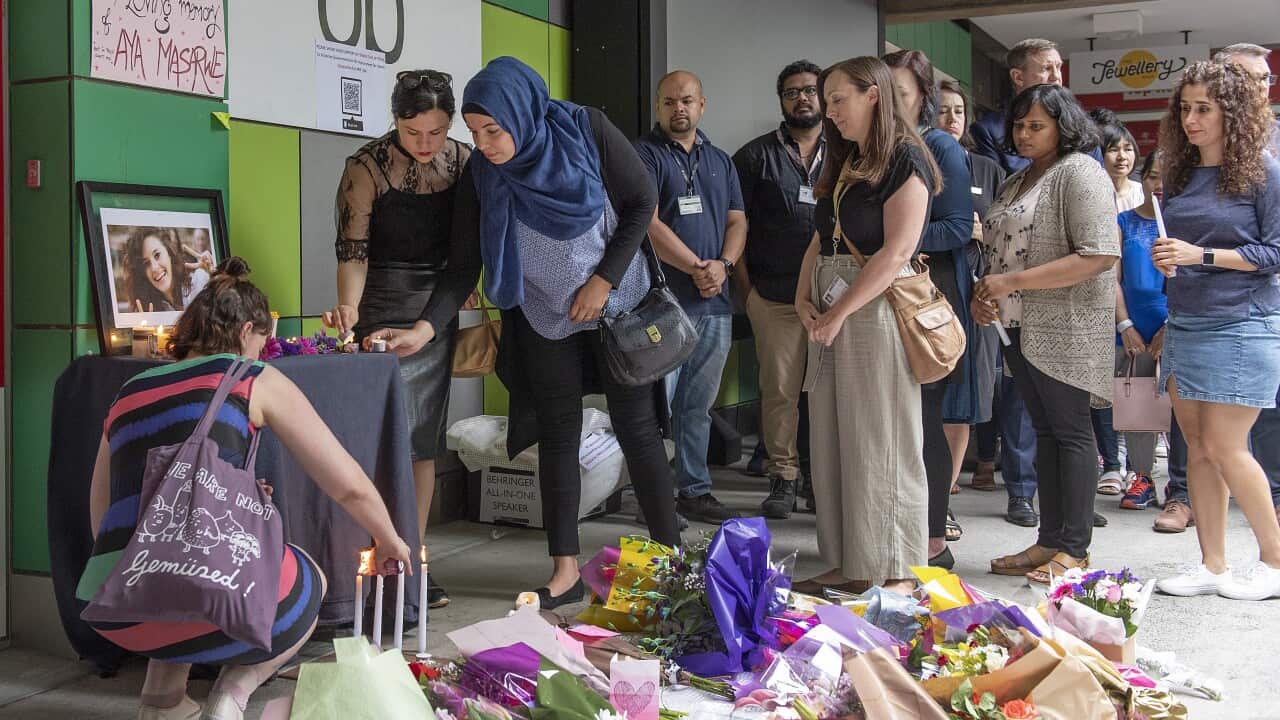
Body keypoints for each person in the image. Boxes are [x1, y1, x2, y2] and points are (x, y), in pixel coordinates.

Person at [82, 258, 413, 720]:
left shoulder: (129, 389)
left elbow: (102, 509)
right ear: (246, 333)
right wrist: (388, 538)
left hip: (121, 607)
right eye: (263, 341)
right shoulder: (251, 377)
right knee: (308, 580)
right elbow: (348, 484)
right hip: (213, 603)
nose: (263, 351)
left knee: (176, 561)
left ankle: (162, 702)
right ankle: (231, 696)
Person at [427, 56, 682, 608]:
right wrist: (425, 326)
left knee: (637, 429)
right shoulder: (483, 174)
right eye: (474, 133)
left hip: (618, 304)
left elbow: (641, 203)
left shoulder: (585, 129)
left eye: (494, 130)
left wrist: (603, 282)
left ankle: (672, 558)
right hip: (543, 316)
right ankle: (564, 572)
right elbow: (462, 263)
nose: (486, 143)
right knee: (558, 436)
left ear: (522, 113)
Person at [790, 56, 941, 595]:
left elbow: (896, 252)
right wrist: (804, 298)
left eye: (837, 99)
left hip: (872, 310)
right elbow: (819, 236)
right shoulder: (844, 159)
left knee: (883, 439)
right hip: (830, 310)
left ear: (873, 95)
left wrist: (838, 310)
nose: (829, 112)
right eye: (826, 101)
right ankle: (850, 561)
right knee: (832, 439)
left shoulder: (906, 159)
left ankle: (896, 569)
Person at [325, 70, 470, 609]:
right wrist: (349, 308)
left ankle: (413, 558)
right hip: (378, 303)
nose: (426, 144)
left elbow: (466, 252)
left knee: (424, 439)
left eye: (436, 132)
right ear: (395, 122)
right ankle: (370, 553)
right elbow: (353, 252)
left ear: (450, 123)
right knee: (378, 435)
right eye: (414, 133)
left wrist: (451, 302)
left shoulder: (464, 163)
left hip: (435, 308)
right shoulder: (364, 167)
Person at [976, 84, 1120, 585]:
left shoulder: (1080, 171)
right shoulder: (1018, 179)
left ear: (1064, 126)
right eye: (1019, 125)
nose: (1024, 133)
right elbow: (998, 250)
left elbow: (1100, 254)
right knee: (1045, 433)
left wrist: (1010, 282)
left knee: (1071, 432)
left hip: (1069, 325)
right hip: (1015, 325)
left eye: (1036, 125)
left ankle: (1075, 551)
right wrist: (986, 293)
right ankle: (1049, 542)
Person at [1150, 60, 1280, 600]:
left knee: (1228, 449)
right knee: (1199, 448)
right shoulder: (1181, 174)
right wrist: (1167, 259)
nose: (1191, 120)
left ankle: (1274, 562)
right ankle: (1213, 566)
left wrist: (1200, 254)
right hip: (1186, 318)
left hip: (1243, 322)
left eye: (1204, 108)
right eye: (1185, 108)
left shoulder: (1265, 172)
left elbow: (1274, 253)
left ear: (1235, 112)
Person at [635, 70, 748, 525]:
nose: (677, 109)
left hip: (715, 304)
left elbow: (738, 221)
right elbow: (647, 221)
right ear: (658, 107)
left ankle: (694, 491)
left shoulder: (720, 160)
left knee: (697, 405)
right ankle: (655, 498)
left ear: (703, 104)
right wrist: (696, 268)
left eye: (686, 101)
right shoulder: (643, 155)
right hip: (662, 302)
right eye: (668, 102)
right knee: (657, 407)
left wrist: (723, 265)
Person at [883, 50, 974, 569]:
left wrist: (898, 242)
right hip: (885, 297)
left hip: (927, 298)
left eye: (902, 92)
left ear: (923, 95)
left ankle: (935, 538)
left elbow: (959, 226)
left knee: (927, 418)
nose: (891, 101)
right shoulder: (882, 146)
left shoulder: (938, 144)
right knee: (900, 422)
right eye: (884, 91)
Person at [732, 60, 825, 519]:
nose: (802, 98)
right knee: (781, 392)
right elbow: (736, 227)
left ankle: (821, 479)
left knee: (827, 393)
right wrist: (748, 292)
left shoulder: (849, 151)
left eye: (810, 90)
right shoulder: (754, 157)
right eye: (792, 92)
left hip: (834, 298)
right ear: (781, 101)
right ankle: (783, 478)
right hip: (774, 295)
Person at [938, 80, 1028, 507]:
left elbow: (1010, 235)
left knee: (967, 395)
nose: (950, 118)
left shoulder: (988, 170)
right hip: (927, 292)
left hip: (978, 294)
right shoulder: (919, 162)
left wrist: (982, 233)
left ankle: (948, 486)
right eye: (941, 110)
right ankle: (930, 486)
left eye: (958, 111)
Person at [1215, 43, 1280, 530]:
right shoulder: (1199, 149)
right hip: (1215, 303)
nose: (1259, 88)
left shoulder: (1272, 147)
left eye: (1265, 79)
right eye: (1248, 78)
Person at [1112, 151, 1184, 512]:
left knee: (1180, 410)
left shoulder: (1183, 226)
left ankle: (1180, 484)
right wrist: (1125, 325)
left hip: (1179, 327)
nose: (1159, 185)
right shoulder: (1123, 221)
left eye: (1166, 177)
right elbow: (1113, 277)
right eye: (1154, 176)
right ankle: (1141, 477)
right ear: (1143, 180)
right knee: (1137, 404)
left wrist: (1169, 328)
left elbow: (1190, 282)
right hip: (1133, 331)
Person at [1089, 109, 1142, 498]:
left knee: (1137, 383)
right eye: (1113, 149)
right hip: (1097, 297)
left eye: (1128, 149)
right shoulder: (1091, 190)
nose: (1122, 156)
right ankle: (1111, 460)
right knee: (1103, 386)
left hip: (1136, 301)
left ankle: (1136, 464)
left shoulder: (1142, 195)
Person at [970, 39, 1062, 175]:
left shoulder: (1078, 127)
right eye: (1046, 68)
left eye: (1059, 67)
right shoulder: (988, 131)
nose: (1056, 76)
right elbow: (993, 188)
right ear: (1018, 77)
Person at [124, 227, 212, 312]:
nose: (154, 268)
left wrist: (214, 276)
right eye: (146, 263)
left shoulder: (201, 281)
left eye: (157, 255)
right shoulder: (150, 309)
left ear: (169, 253)